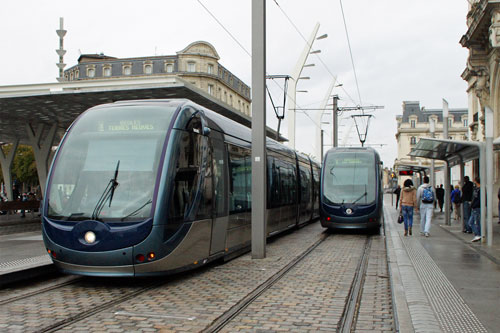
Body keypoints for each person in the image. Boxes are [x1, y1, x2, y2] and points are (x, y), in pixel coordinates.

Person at [469, 177, 482, 242]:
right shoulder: (476, 189)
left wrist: (473, 205)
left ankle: (478, 234)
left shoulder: (479, 190)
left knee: (472, 222)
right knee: (476, 222)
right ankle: (478, 234)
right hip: (475, 207)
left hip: (476, 207)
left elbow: (478, 199)